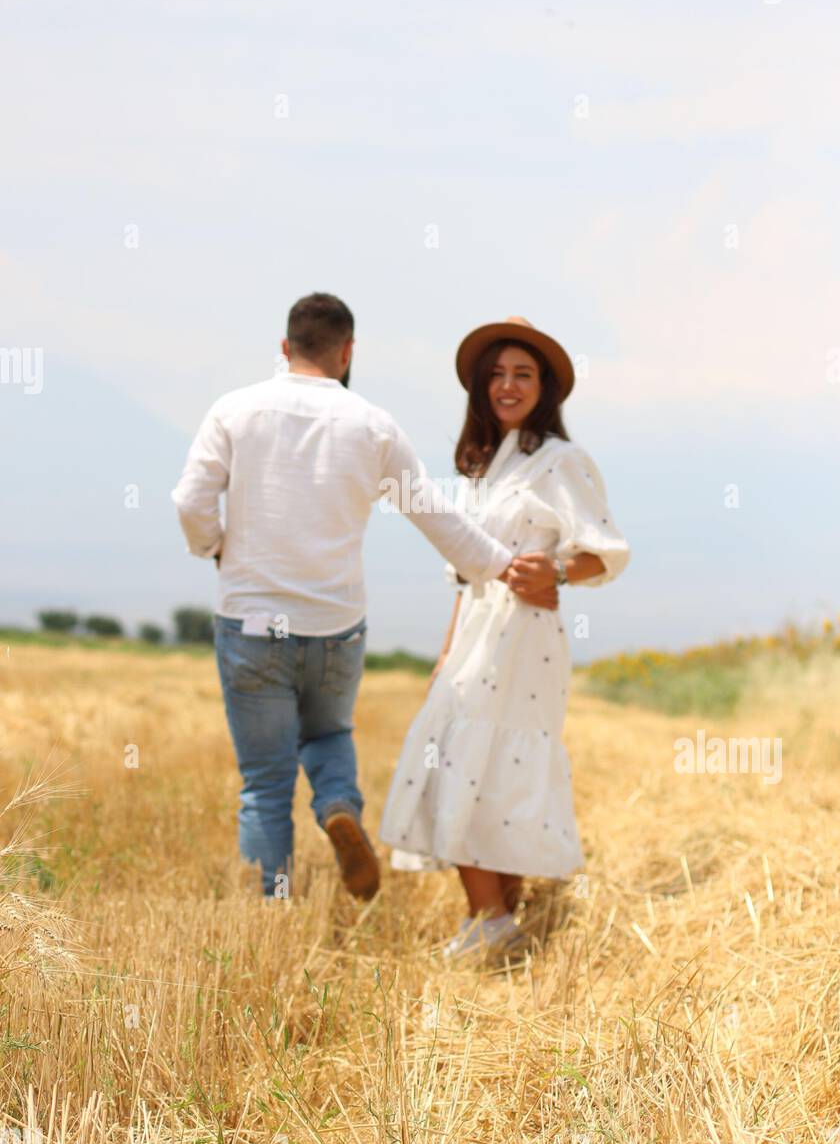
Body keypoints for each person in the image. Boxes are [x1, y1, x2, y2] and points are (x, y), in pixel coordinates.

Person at [170, 293, 554, 901]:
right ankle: (338, 808)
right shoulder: (372, 425)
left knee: (265, 785)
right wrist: (504, 565)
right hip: (335, 627)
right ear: (348, 351)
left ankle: (271, 915)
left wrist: (215, 549)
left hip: (250, 621)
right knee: (327, 736)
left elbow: (189, 501)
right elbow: (436, 517)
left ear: (284, 346)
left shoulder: (234, 411)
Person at [379, 316, 631, 959]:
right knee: (459, 754)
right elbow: (463, 578)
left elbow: (607, 553)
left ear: (544, 386)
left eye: (522, 374)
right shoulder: (478, 468)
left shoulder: (563, 461)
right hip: (475, 629)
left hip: (527, 637)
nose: (508, 385)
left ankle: (490, 918)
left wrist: (557, 571)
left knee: (493, 761)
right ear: (480, 387)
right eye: (497, 374)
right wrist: (443, 653)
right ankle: (498, 920)